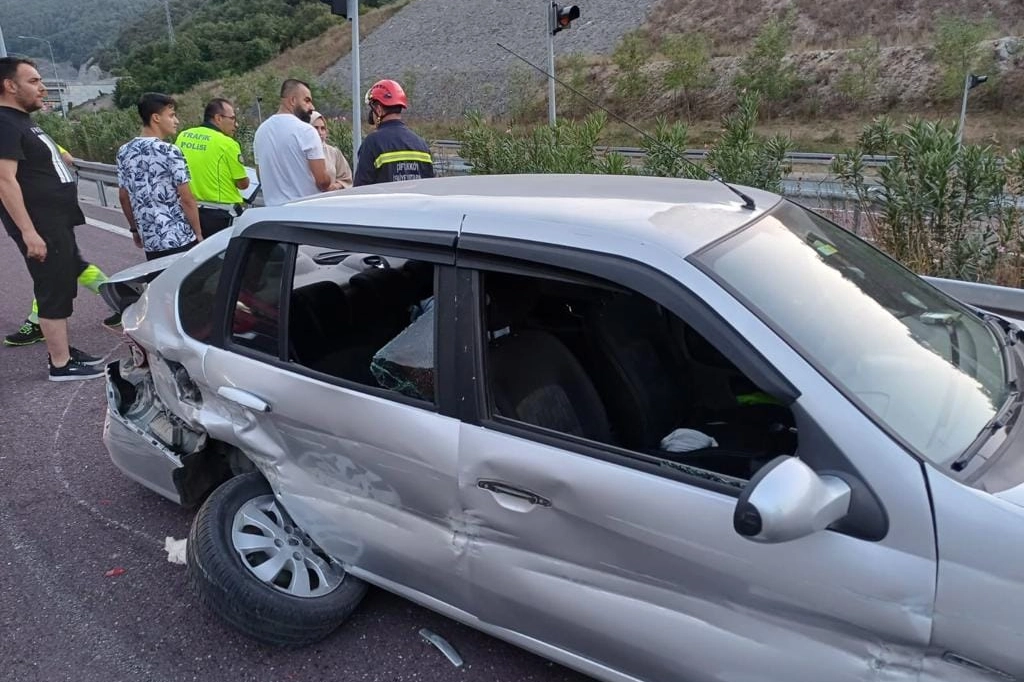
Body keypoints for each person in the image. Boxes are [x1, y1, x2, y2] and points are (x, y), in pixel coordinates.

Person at [0, 57, 103, 380]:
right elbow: (4, 179)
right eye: (33, 81)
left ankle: (64, 352)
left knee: (63, 278)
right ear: (9, 85)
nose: (42, 87)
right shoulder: (3, 122)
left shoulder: (20, 121)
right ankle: (60, 364)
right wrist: (28, 232)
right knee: (52, 287)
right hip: (41, 223)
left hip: (54, 220)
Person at [4, 144, 120, 347]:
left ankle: (38, 322)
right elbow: (66, 158)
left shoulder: (12, 135)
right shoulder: (31, 134)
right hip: (51, 208)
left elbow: (5, 179)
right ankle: (122, 299)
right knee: (72, 263)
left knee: (47, 267)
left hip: (37, 213)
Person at [117, 92, 203, 261]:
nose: (176, 121)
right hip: (179, 237)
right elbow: (186, 199)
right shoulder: (170, 151)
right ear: (156, 118)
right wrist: (198, 233)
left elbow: (123, 197)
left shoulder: (124, 151)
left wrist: (134, 229)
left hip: (150, 240)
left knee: (159, 277)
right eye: (171, 115)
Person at [175, 98, 250, 238]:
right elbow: (243, 184)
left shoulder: (183, 136)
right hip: (221, 214)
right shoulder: (228, 143)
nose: (236, 124)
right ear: (218, 118)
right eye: (232, 118)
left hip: (189, 210)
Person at [252, 79, 334, 206]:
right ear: (293, 100)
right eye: (307, 100)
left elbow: (260, 177)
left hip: (272, 212)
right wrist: (331, 179)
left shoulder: (260, 132)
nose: (312, 107)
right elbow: (322, 181)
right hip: (304, 211)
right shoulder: (307, 131)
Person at [353, 79, 434, 187]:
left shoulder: (372, 143)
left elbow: (360, 190)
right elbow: (429, 188)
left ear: (379, 110)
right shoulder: (421, 145)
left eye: (372, 110)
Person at [310, 111, 352, 190]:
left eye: (322, 128)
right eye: (315, 128)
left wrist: (335, 186)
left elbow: (346, 179)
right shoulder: (299, 152)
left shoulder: (333, 152)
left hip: (329, 196)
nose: (320, 132)